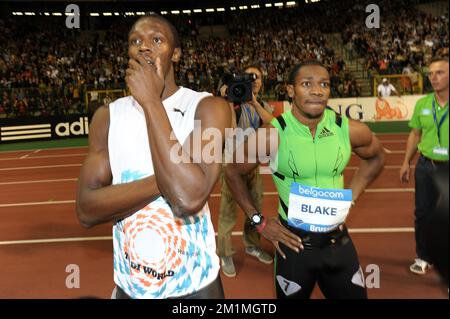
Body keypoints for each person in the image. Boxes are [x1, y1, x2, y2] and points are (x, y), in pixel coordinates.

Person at [75, 14, 231, 299]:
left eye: (156, 40)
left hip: (196, 286)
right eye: (135, 41)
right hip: (131, 287)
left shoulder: (209, 109)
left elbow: (188, 200)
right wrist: (171, 179)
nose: (144, 47)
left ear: (176, 54)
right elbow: (86, 209)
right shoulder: (106, 117)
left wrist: (150, 101)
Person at [225, 60, 385, 299]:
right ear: (291, 90)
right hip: (293, 246)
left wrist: (352, 196)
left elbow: (377, 157)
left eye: (324, 84)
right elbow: (232, 172)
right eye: (307, 84)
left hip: (338, 243)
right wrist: (259, 221)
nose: (317, 90)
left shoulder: (348, 129)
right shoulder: (272, 134)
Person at [217, 65, 274, 278]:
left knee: (256, 207)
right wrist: (231, 103)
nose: (253, 81)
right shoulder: (230, 102)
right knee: (228, 212)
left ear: (260, 82)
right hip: (231, 165)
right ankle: (224, 253)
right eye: (249, 77)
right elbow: (229, 130)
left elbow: (274, 124)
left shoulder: (262, 105)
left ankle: (252, 244)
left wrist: (255, 103)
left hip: (252, 165)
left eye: (256, 77)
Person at [400, 57, 449, 276]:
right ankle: (423, 256)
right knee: (423, 214)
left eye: (439, 72)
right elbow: (415, 134)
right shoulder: (422, 104)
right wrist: (406, 162)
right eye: (430, 73)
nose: (433, 77)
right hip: (426, 166)